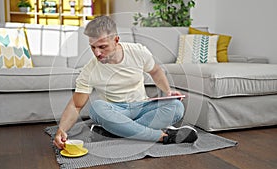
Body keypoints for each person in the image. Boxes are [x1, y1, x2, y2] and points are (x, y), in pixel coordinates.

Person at [53, 16, 198, 149]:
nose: (97, 53)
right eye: (93, 47)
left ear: (116, 40)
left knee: (176, 106)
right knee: (96, 108)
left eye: (102, 47)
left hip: (142, 106)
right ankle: (162, 137)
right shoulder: (89, 70)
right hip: (116, 111)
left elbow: (155, 71)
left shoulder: (138, 52)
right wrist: (62, 130)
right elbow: (76, 105)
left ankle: (111, 132)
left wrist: (167, 91)